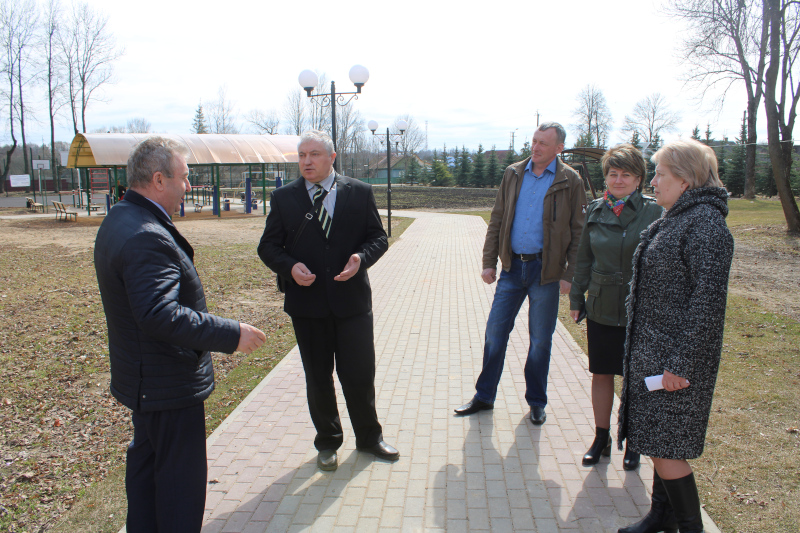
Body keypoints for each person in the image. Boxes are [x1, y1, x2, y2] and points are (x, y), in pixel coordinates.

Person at [94, 136, 266, 533]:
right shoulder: (145, 235)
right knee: (178, 491)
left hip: (146, 383)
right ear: (158, 179)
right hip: (166, 386)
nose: (188, 187)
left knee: (148, 478)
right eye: (184, 178)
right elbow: (159, 314)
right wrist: (231, 333)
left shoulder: (120, 217)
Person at [257, 130, 398, 472]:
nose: (306, 161)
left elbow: (378, 237)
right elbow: (268, 247)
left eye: (314, 154)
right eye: (302, 154)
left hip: (352, 304)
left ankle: (369, 437)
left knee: (360, 374)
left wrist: (360, 259)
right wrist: (290, 267)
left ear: (332, 157)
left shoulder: (359, 193)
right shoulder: (284, 198)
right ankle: (328, 442)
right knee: (318, 377)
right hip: (308, 306)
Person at [617, 139, 734, 533]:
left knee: (668, 449)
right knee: (656, 440)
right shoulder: (675, 218)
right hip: (654, 357)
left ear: (684, 180)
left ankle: (689, 527)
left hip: (675, 364)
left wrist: (680, 366)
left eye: (661, 174)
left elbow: (707, 306)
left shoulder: (706, 226)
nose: (653, 180)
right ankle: (660, 517)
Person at [455, 122, 586, 424]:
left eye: (543, 143)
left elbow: (579, 231)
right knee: (494, 333)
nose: (536, 147)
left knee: (540, 340)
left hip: (547, 273)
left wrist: (569, 274)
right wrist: (489, 261)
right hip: (513, 268)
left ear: (558, 148)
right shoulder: (514, 173)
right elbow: (497, 217)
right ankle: (484, 396)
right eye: (534, 141)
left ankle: (537, 401)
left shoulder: (570, 180)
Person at [568, 144, 663, 470]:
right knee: (602, 372)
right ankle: (601, 437)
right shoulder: (595, 210)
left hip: (642, 308)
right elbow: (584, 259)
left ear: (639, 179)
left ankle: (634, 441)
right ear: (605, 176)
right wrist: (576, 299)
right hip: (602, 305)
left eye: (626, 174)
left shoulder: (657, 212)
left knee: (637, 377)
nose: (618, 180)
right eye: (613, 173)